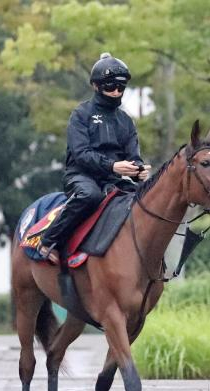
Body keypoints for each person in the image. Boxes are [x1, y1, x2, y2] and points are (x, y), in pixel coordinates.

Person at [37, 52, 151, 264]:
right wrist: (113, 166)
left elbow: (134, 156)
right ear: (96, 86)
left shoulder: (126, 121)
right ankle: (48, 240)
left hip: (114, 179)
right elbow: (81, 154)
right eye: (110, 86)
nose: (116, 92)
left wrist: (139, 170)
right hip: (80, 175)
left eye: (121, 87)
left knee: (145, 199)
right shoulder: (80, 114)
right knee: (91, 196)